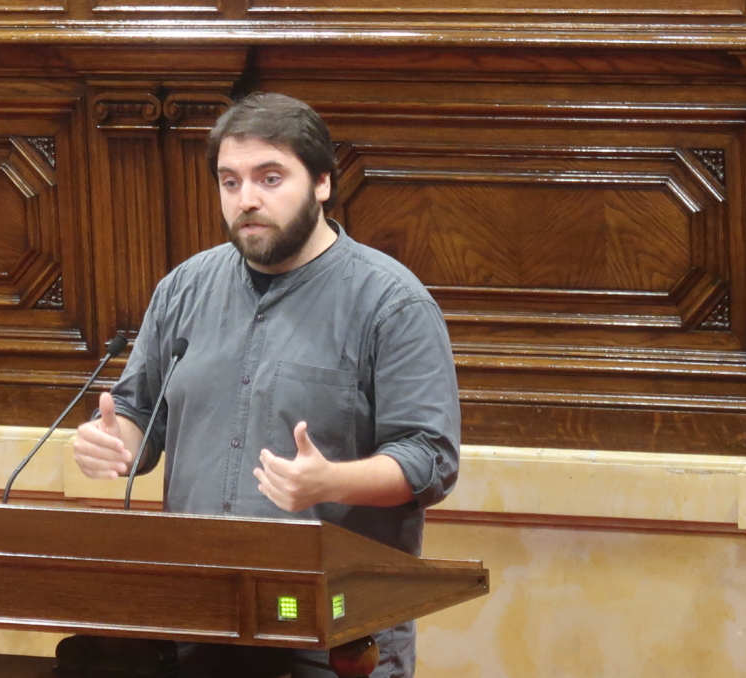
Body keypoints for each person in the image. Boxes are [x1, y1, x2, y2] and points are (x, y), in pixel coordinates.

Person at [73, 92, 460, 678]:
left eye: (270, 178)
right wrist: (116, 440)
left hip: (333, 632)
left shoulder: (391, 304)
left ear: (322, 183)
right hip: (196, 618)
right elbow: (137, 412)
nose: (247, 200)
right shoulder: (183, 289)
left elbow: (429, 459)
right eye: (230, 182)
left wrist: (332, 481)